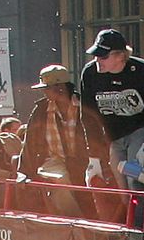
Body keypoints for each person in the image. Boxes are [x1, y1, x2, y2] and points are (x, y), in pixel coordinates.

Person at [78, 28, 144, 185]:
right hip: (114, 135)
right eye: (95, 55)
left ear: (121, 55)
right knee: (122, 187)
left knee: (135, 182)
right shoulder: (90, 74)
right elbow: (88, 117)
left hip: (142, 130)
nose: (98, 60)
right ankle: (131, 207)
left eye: (103, 56)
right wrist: (94, 156)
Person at [17, 65, 101, 215]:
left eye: (47, 87)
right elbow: (30, 143)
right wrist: (22, 171)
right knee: (58, 180)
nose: (44, 92)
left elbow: (97, 134)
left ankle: (98, 225)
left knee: (95, 186)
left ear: (60, 87)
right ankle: (77, 224)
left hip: (85, 162)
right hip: (54, 161)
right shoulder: (41, 110)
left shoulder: (85, 106)